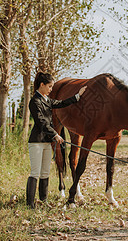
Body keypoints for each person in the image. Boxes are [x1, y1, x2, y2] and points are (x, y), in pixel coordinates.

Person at [26, 72, 87, 209]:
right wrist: (55, 134)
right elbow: (41, 122)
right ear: (42, 85)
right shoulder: (34, 102)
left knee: (45, 172)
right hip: (36, 142)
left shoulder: (47, 100)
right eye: (49, 86)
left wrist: (78, 95)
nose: (51, 89)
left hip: (47, 142)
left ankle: (43, 200)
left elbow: (61, 103)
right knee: (35, 172)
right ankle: (30, 204)